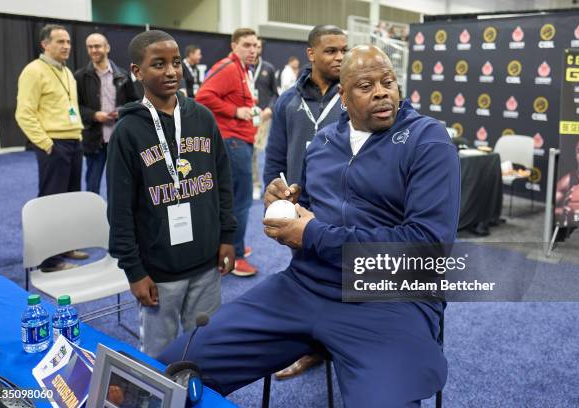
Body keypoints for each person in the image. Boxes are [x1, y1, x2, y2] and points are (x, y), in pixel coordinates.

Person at [159, 45, 461, 407]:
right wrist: (288, 208)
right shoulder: (323, 143)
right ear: (344, 98)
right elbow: (316, 214)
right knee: (172, 371)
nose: (382, 92)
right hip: (304, 286)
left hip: (390, 300)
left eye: (388, 82)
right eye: (366, 86)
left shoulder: (428, 140)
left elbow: (425, 246)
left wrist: (312, 233)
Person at [106, 30, 237, 358]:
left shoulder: (202, 118)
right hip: (158, 271)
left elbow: (223, 181)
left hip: (206, 263)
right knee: (159, 358)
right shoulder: (128, 131)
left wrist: (227, 236)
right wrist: (134, 270)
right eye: (158, 64)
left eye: (176, 63)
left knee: (206, 350)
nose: (171, 71)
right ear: (137, 72)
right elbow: (119, 209)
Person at [264, 24, 347, 380]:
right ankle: (313, 347)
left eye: (344, 50)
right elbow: (275, 157)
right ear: (311, 54)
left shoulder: (352, 95)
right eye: (331, 51)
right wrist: (274, 193)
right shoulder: (288, 100)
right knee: (306, 275)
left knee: (346, 272)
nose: (340, 57)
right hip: (300, 205)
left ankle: (346, 345)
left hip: (345, 204)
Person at [15, 24, 88, 271]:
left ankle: (65, 246)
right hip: (54, 144)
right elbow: (24, 113)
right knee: (50, 202)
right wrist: (46, 144)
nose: (66, 46)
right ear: (45, 44)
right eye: (60, 42)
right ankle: (48, 261)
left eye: (68, 41)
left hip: (73, 141)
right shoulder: (34, 71)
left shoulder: (66, 72)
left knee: (69, 201)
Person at [196, 28, 261, 277]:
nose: (252, 50)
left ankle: (231, 246)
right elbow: (203, 97)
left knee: (232, 199)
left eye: (255, 45)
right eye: (246, 45)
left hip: (239, 140)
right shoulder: (229, 67)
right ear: (234, 46)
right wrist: (235, 111)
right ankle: (235, 254)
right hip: (232, 142)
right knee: (240, 201)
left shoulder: (243, 69)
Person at [75, 33, 138, 194]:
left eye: (97, 46)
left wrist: (122, 111)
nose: (93, 50)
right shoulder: (80, 77)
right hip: (94, 140)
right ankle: (91, 217)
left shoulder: (123, 75)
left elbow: (134, 102)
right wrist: (94, 115)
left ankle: (115, 218)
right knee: (92, 184)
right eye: (90, 47)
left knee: (118, 185)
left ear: (107, 48)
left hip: (118, 139)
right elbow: (74, 107)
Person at [251, 38, 278, 199]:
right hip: (246, 116)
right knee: (250, 151)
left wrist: (269, 108)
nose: (254, 49)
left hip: (263, 116)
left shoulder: (268, 68)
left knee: (258, 150)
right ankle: (253, 183)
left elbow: (275, 93)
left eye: (257, 46)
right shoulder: (241, 68)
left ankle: (258, 185)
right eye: (252, 45)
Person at [555, 136, 579, 221]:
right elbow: (552, 208)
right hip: (573, 223)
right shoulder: (566, 181)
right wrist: (562, 211)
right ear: (576, 155)